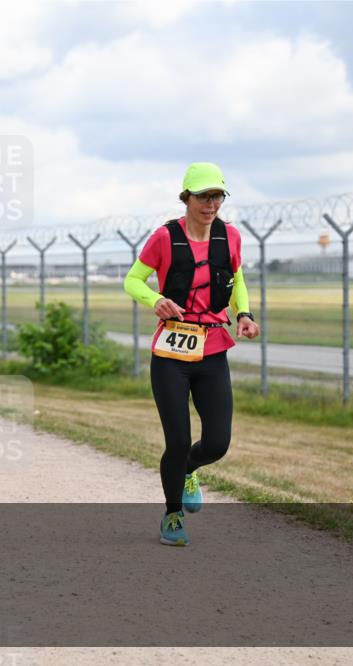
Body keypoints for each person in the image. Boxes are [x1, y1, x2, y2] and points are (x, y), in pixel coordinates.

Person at [123, 162, 259, 547]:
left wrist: (244, 314)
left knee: (217, 442)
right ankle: (172, 515)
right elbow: (132, 280)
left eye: (217, 196)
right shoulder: (165, 238)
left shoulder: (230, 236)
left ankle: (188, 473)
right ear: (186, 197)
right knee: (178, 440)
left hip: (213, 348)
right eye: (203, 196)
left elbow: (237, 280)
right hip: (170, 352)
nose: (211, 203)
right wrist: (156, 299)